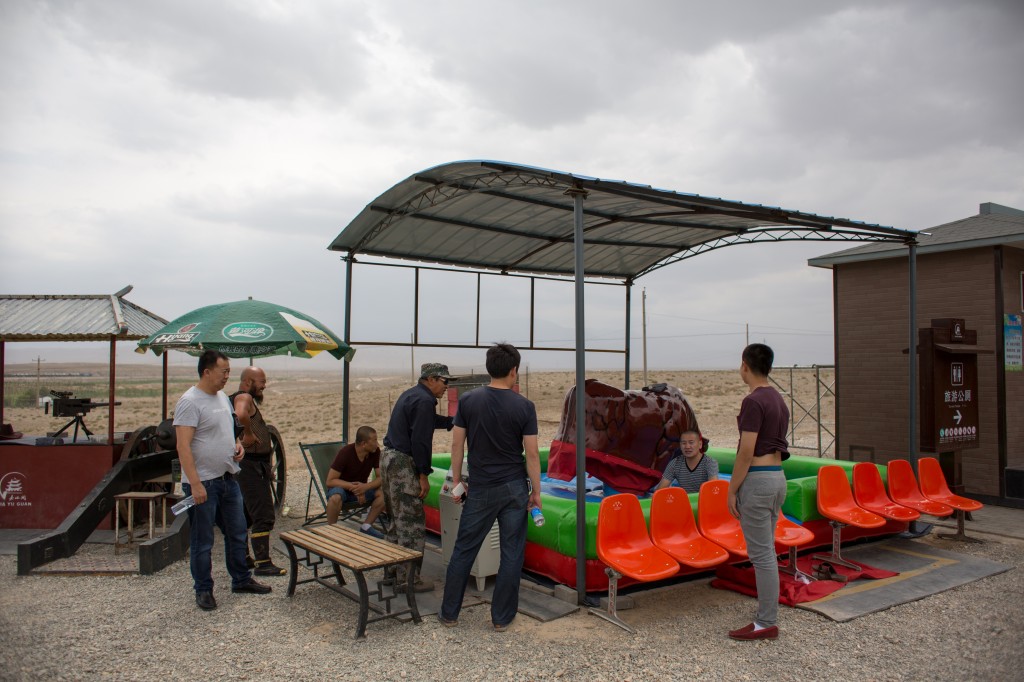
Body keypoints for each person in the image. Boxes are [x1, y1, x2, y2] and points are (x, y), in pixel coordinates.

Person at [438, 343, 541, 632]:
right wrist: (537, 492)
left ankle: (449, 614)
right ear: (514, 370)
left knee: (463, 550)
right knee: (511, 553)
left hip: (481, 488)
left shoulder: (469, 401)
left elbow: (457, 444)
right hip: (513, 489)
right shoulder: (524, 406)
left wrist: (457, 481)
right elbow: (532, 454)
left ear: (488, 368)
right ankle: (501, 618)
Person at [174, 350, 272, 611]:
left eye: (229, 371)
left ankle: (241, 579)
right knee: (203, 540)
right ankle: (203, 590)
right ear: (207, 372)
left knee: (237, 532)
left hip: (229, 478)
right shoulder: (189, 401)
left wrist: (238, 445)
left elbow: (228, 431)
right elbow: (183, 446)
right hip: (203, 483)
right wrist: (194, 484)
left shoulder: (221, 398)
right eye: (223, 372)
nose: (227, 377)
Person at [727, 343, 790, 641]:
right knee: (768, 552)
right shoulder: (778, 399)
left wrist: (732, 489)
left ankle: (766, 622)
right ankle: (768, 614)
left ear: (745, 366)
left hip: (759, 480)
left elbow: (745, 452)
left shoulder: (753, 402)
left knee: (762, 555)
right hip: (778, 478)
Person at [380, 362, 455, 592]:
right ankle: (409, 580)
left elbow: (428, 421)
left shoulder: (412, 395)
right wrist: (423, 474)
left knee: (397, 521)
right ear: (431, 379)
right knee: (411, 524)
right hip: (404, 464)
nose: (446, 387)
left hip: (389, 460)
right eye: (445, 381)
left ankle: (391, 573)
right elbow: (421, 441)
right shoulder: (424, 401)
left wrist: (453, 422)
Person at [230, 366, 285, 577]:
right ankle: (264, 563)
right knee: (263, 514)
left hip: (254, 466)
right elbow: (240, 413)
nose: (264, 385)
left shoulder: (241, 396)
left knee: (245, 514)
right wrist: (249, 433)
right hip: (250, 467)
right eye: (261, 381)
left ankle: (243, 558)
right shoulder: (244, 396)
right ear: (247, 382)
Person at [325, 425, 386, 538]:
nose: (377, 444)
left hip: (360, 489)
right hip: (342, 489)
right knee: (335, 497)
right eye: (374, 440)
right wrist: (356, 488)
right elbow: (330, 481)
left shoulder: (375, 452)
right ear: (364, 444)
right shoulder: (345, 453)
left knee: (382, 495)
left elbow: (381, 478)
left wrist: (365, 488)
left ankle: (366, 526)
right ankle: (331, 531)